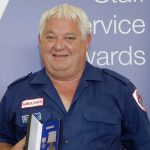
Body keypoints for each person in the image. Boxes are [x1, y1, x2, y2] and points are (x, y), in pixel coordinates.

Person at [0, 3, 150, 150]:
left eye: (69, 38)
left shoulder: (119, 89)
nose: (58, 46)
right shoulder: (16, 93)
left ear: (87, 41)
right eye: (51, 37)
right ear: (40, 41)